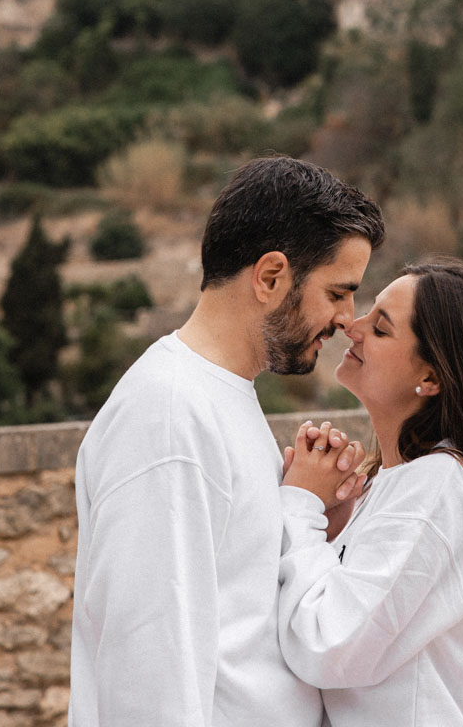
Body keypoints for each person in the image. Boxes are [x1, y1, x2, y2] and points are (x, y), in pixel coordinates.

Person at [69, 156, 384, 727]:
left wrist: (314, 522)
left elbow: (238, 613)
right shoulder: (168, 416)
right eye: (338, 293)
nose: (347, 318)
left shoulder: (216, 397)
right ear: (270, 277)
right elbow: (149, 669)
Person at [279, 259, 463, 727]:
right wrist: (334, 531)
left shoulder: (436, 489)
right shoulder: (403, 485)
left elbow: (329, 645)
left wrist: (300, 505)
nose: (352, 325)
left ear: (430, 379)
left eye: (381, 329)